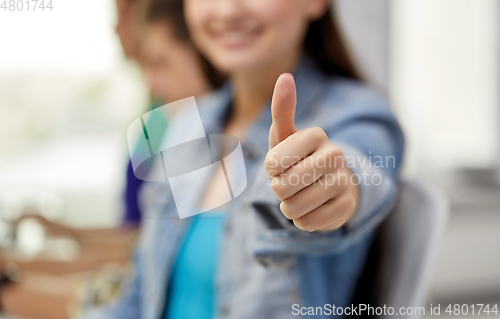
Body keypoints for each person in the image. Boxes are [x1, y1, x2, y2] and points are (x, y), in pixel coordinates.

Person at [82, 0, 404, 319]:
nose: (227, 11)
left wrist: (331, 188)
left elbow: (358, 168)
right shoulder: (187, 125)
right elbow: (139, 295)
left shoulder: (357, 115)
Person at [0, 0, 220, 318]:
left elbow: (135, 259)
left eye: (126, 13)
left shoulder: (187, 127)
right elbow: (141, 253)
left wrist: (16, 279)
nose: (117, 27)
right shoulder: (176, 123)